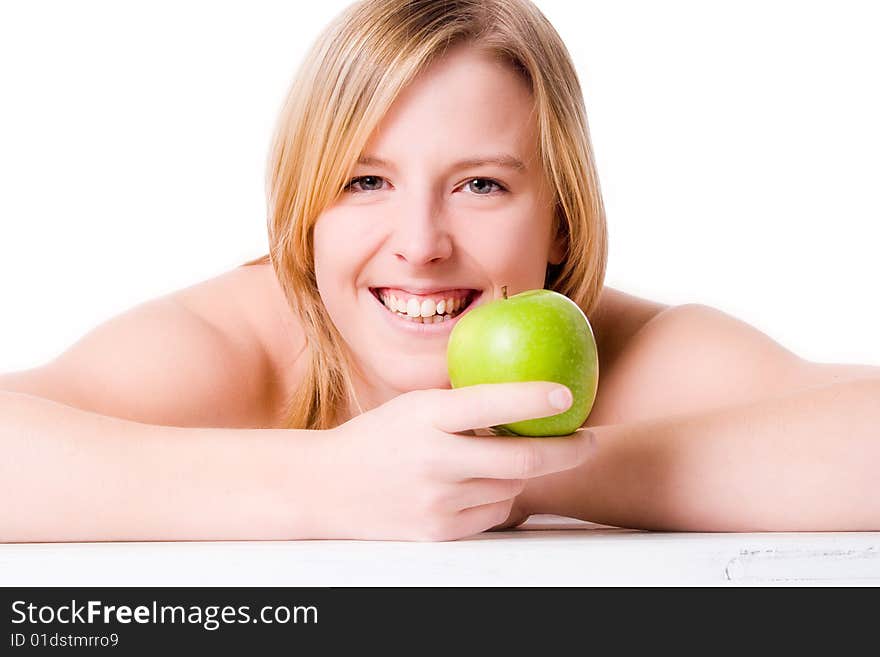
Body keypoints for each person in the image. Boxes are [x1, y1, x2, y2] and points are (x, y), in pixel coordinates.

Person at [2, 0, 878, 543]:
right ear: (306, 216)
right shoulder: (235, 343)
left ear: (562, 221)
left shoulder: (634, 353)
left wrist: (531, 475)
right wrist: (328, 484)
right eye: (365, 181)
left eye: (481, 184)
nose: (419, 242)